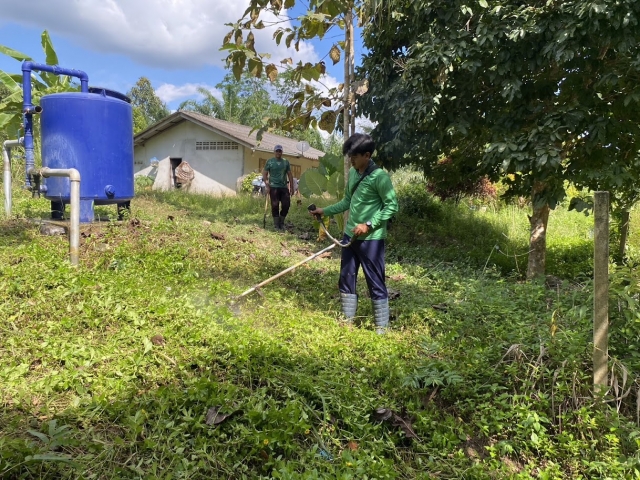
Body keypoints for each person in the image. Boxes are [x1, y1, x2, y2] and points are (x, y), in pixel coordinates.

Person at [309, 133, 398, 334]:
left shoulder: (379, 177)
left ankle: (381, 330)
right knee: (346, 277)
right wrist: (325, 210)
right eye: (349, 157)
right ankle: (347, 322)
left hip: (371, 240)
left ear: (367, 155)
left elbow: (392, 206)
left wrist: (369, 224)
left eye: (354, 157)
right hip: (350, 237)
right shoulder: (355, 175)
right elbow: (347, 202)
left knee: (375, 280)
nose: (351, 161)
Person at [263, 144, 294, 230]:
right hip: (273, 187)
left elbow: (290, 175)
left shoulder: (285, 162)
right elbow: (264, 173)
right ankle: (276, 224)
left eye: (280, 151)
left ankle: (282, 222)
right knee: (275, 205)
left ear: (282, 152)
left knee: (286, 204)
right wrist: (267, 184)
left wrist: (291, 187)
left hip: (283, 187)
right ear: (274, 152)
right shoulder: (270, 162)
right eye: (277, 151)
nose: (278, 152)